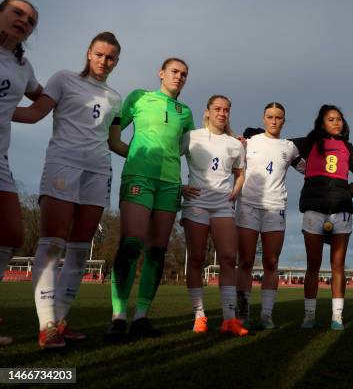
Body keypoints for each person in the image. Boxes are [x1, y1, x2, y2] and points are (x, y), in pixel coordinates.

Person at [13, 32, 121, 348]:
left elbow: (113, 142)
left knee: (79, 248)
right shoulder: (64, 79)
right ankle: (46, 325)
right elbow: (34, 114)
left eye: (111, 57)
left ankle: (60, 321)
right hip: (63, 165)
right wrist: (5, 110)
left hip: (99, 171)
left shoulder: (115, 97)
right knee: (52, 243)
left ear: (117, 61)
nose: (104, 61)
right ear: (89, 53)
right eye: (100, 54)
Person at [105, 58, 194, 341]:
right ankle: (118, 317)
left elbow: (188, 148)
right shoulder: (138, 97)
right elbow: (114, 137)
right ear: (161, 73)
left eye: (184, 74)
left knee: (157, 250)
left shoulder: (185, 112)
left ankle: (141, 317)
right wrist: (135, 158)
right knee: (131, 243)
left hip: (170, 183)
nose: (179, 77)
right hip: (138, 179)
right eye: (174, 72)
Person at [292, 105, 353, 330]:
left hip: (341, 210)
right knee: (312, 266)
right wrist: (253, 133)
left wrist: (349, 191)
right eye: (331, 119)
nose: (336, 123)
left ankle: (337, 317)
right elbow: (282, 148)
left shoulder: (347, 146)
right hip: (314, 209)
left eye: (339, 119)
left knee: (338, 266)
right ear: (322, 123)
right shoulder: (309, 142)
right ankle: (309, 316)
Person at [181, 95, 247, 336]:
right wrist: (180, 187)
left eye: (226, 110)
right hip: (196, 203)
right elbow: (167, 159)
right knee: (197, 258)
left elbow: (240, 173)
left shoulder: (234, 144)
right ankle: (199, 316)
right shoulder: (191, 137)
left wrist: (235, 191)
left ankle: (229, 319)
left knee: (229, 258)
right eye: (217, 109)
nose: (222, 113)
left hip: (222, 205)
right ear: (207, 111)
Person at [235, 102, 303, 330]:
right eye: (270, 116)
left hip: (276, 208)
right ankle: (242, 313)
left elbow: (309, 169)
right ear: (263, 118)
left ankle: (266, 315)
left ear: (284, 120)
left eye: (278, 117)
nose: (274, 121)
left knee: (271, 263)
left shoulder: (289, 147)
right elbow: (232, 164)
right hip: (248, 206)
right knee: (245, 262)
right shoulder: (249, 142)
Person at [0, 0, 42, 346]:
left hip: (0, 158)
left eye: (30, 21)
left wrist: (75, 94)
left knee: (12, 233)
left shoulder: (22, 66)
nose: (24, 21)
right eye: (17, 13)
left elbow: (39, 101)